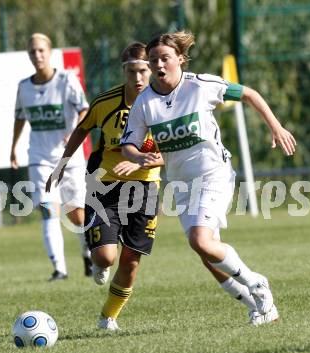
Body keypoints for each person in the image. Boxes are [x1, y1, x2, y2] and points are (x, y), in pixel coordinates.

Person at [121, 31, 297, 326]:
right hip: (181, 185)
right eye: (154, 60)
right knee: (205, 250)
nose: (159, 65)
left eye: (165, 58)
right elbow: (129, 145)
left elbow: (249, 94)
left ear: (180, 59)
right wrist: (138, 157)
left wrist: (275, 127)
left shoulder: (199, 86)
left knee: (200, 240)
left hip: (213, 174)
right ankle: (260, 308)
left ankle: (257, 283)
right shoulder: (144, 103)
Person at [46, 42, 163, 330]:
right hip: (105, 185)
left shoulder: (167, 105)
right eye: (132, 71)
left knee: (131, 261)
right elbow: (82, 129)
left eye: (143, 71)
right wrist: (61, 165)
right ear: (124, 71)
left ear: (152, 70)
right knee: (106, 255)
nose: (138, 78)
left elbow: (169, 152)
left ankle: (108, 317)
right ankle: (98, 259)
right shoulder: (105, 102)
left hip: (145, 189)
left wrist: (139, 164)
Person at [10, 33, 92, 281]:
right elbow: (20, 117)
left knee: (76, 212)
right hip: (40, 156)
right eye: (33, 51)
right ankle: (59, 269)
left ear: (50, 52)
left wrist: (74, 133)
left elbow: (84, 110)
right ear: (28, 55)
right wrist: (13, 148)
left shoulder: (67, 80)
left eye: (41, 50)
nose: (37, 55)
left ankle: (87, 253)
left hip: (70, 157)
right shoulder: (24, 87)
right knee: (47, 208)